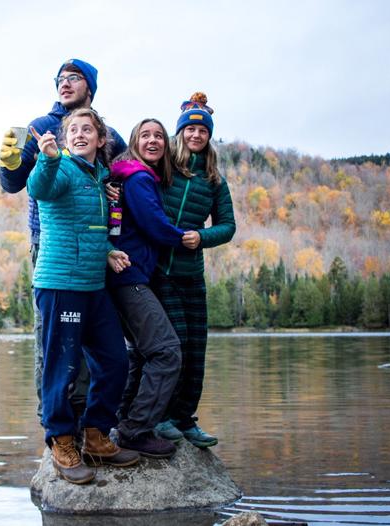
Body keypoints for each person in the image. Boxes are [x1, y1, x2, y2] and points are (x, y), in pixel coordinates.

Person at [0, 59, 126, 417]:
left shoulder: (106, 132)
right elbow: (14, 184)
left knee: (93, 343)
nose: (64, 83)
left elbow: (125, 175)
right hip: (51, 245)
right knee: (53, 341)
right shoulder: (38, 127)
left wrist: (117, 190)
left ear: (90, 87)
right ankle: (53, 423)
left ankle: (89, 419)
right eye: (60, 79)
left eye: (74, 77)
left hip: (97, 247)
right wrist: (9, 163)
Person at [27, 108, 139, 484]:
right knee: (63, 365)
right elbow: (39, 189)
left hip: (93, 285)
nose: (79, 134)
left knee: (115, 360)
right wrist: (47, 157)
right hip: (61, 285)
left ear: (100, 139)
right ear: (64, 139)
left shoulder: (100, 178)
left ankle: (95, 436)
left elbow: (92, 226)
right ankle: (61, 440)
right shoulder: (59, 168)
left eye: (86, 129)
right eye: (72, 130)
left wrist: (107, 249)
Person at [152, 93, 236, 448]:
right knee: (174, 346)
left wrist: (200, 237)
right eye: (191, 128)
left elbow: (228, 226)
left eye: (202, 130)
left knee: (196, 349)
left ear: (209, 135)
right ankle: (162, 417)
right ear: (181, 132)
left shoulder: (215, 180)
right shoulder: (166, 166)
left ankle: (186, 420)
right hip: (160, 270)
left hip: (191, 273)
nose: (196, 135)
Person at [105, 118, 186, 459]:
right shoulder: (138, 178)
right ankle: (135, 431)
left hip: (124, 276)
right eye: (145, 135)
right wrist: (186, 238)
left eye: (159, 136)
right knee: (166, 351)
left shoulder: (130, 177)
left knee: (141, 351)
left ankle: (125, 420)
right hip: (128, 277)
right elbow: (155, 225)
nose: (153, 141)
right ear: (134, 142)